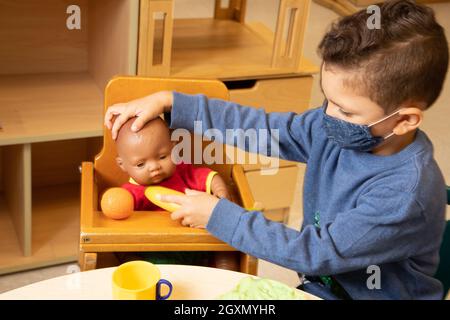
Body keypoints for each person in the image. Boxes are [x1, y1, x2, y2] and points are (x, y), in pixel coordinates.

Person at [104, 0, 448, 299]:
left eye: (345, 110)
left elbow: (315, 252)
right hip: (323, 286)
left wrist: (218, 216)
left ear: (404, 121)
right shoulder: (336, 128)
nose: (325, 117)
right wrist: (172, 102)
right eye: (327, 99)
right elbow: (267, 130)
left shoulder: (403, 194)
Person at [113, 116, 239, 269]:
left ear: (173, 149)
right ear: (123, 165)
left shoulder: (182, 172)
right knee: (132, 257)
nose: (154, 167)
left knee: (225, 244)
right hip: (157, 251)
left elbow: (210, 177)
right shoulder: (129, 194)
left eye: (162, 157)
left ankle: (227, 276)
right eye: (141, 164)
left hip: (197, 244)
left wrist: (220, 192)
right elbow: (115, 216)